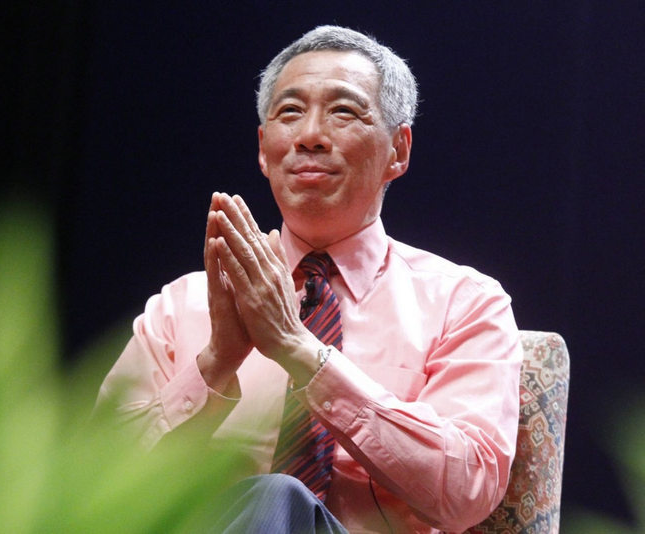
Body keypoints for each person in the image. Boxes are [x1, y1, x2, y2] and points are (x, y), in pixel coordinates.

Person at [97, 25, 522, 533]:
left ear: (398, 150)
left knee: (278, 497)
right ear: (263, 149)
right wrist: (216, 362)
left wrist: (300, 351)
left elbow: (468, 490)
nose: (310, 135)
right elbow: (92, 484)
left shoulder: (465, 303)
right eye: (290, 112)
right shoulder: (182, 305)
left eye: (343, 112)